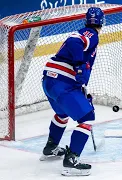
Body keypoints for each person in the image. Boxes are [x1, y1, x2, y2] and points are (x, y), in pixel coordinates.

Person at [41, 7, 104, 176]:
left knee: (62, 114)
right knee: (87, 117)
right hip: (62, 83)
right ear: (102, 23)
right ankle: (71, 161)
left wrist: (80, 84)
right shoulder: (92, 34)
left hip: (50, 81)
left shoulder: (85, 32)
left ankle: (51, 147)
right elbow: (74, 42)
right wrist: (79, 67)